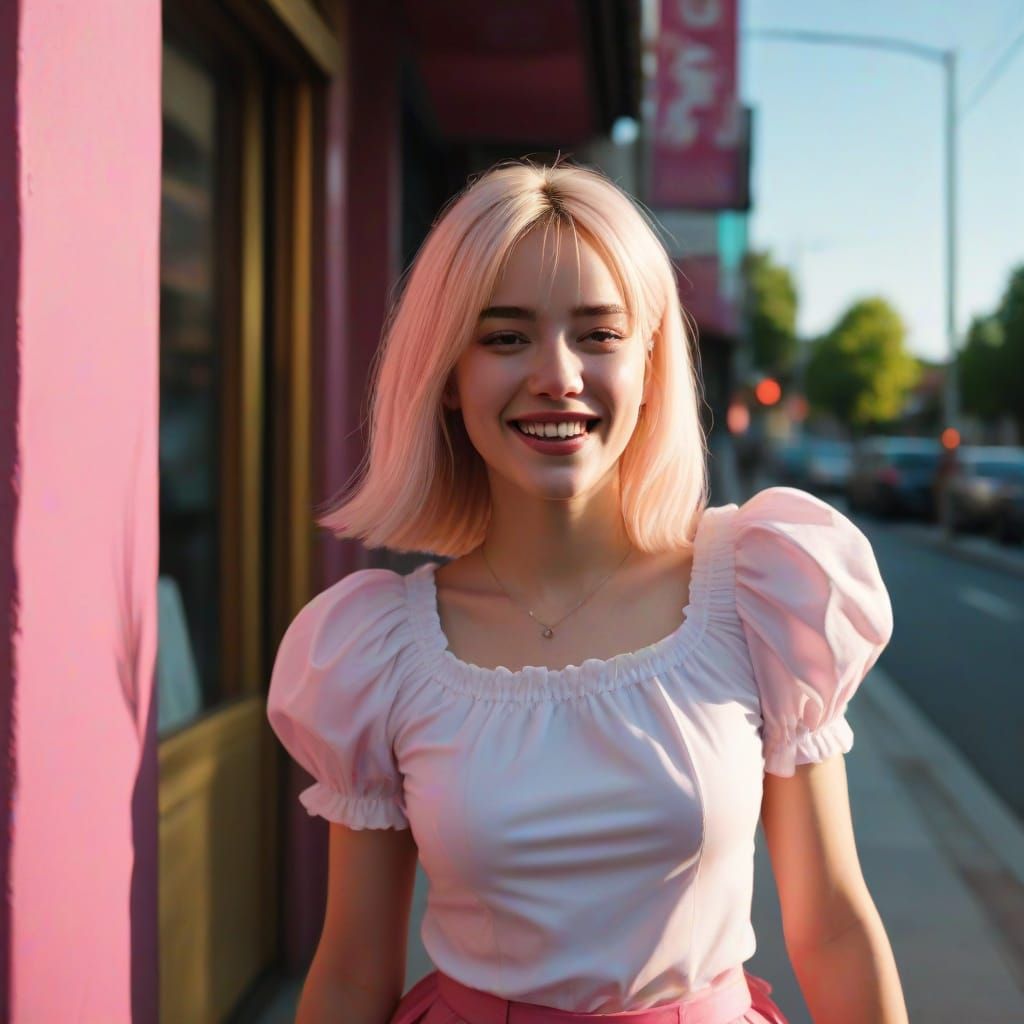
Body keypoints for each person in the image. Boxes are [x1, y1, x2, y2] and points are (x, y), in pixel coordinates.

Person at [267, 161, 909, 1024]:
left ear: (650, 365)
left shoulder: (760, 591)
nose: (558, 374)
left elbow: (832, 922)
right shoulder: (380, 651)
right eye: (504, 337)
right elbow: (349, 972)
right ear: (447, 379)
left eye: (599, 334)